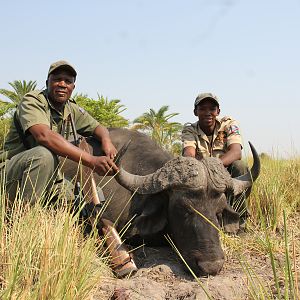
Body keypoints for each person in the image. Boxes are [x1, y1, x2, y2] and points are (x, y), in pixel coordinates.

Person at [0, 60, 119, 204]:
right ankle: (25, 220)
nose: (62, 84)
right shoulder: (33, 101)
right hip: (10, 173)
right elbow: (44, 137)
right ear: (47, 82)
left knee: (77, 197)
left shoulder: (70, 108)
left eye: (68, 81)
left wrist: (107, 141)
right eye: (57, 79)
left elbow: (98, 128)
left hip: (46, 173)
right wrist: (92, 161)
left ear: (73, 87)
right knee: (44, 155)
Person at [181, 92, 250, 221]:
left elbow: (236, 152)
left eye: (212, 109)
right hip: (200, 177)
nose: (208, 113)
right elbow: (188, 154)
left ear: (218, 111)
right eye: (202, 109)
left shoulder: (229, 124)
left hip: (224, 174)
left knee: (240, 166)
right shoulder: (189, 130)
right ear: (195, 112)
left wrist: (213, 167)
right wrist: (205, 171)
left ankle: (240, 217)